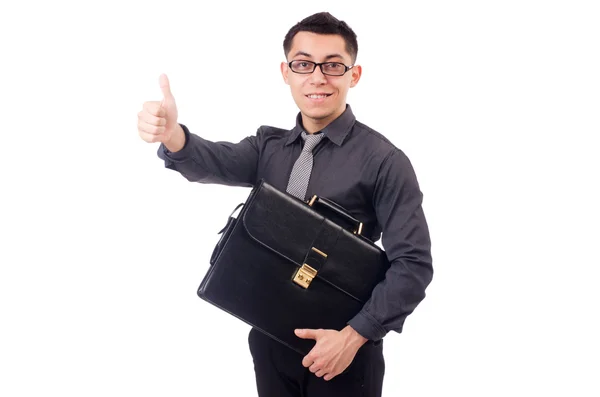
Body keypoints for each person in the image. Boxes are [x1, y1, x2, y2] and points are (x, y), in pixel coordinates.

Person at [137, 11, 433, 397]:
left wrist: (353, 337)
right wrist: (173, 135)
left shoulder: (384, 162)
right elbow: (213, 160)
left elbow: (413, 265)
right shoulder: (269, 148)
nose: (318, 77)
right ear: (286, 71)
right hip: (269, 341)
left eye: (333, 66)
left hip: (343, 351)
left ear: (353, 75)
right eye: (304, 64)